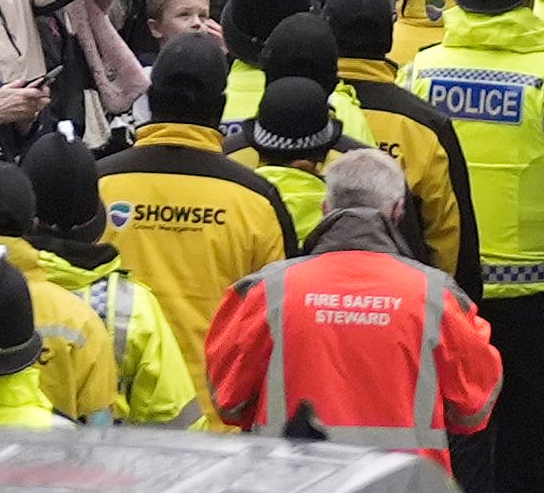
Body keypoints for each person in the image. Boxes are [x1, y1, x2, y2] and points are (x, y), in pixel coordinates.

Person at [206, 150, 503, 459]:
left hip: (292, 487)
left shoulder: (268, 291)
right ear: (398, 211)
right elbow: (473, 409)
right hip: (404, 491)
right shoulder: (435, 296)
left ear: (325, 209)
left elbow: (229, 402)